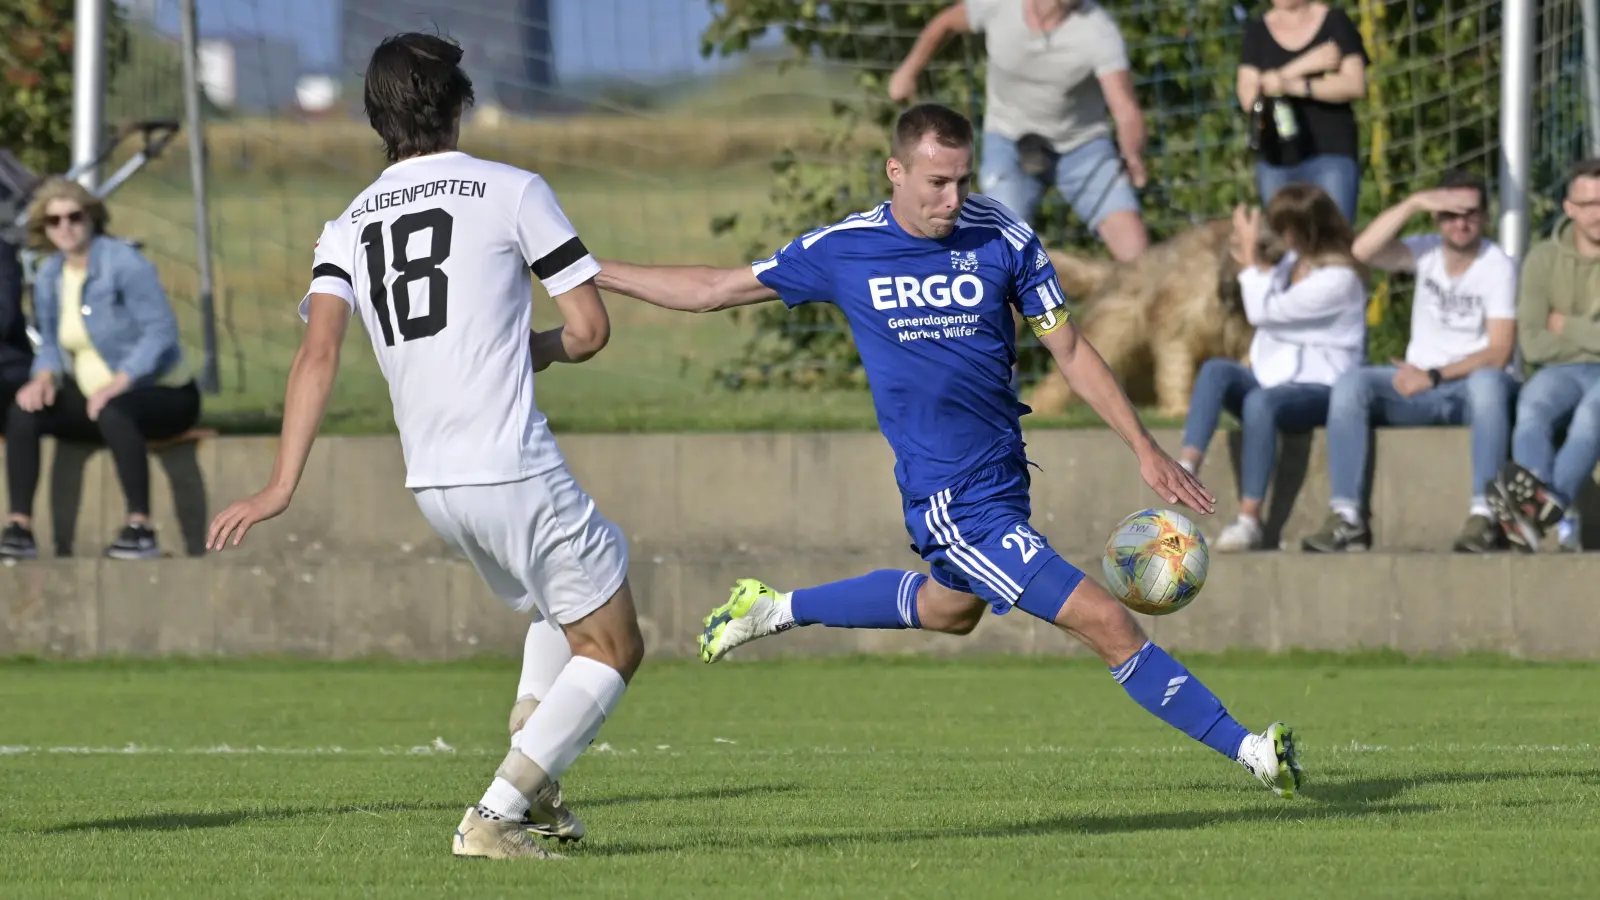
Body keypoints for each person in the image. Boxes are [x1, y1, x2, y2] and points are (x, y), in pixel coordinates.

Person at [595, 103, 1305, 800]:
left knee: (948, 610)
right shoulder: (844, 249)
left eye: (963, 179)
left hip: (1003, 481)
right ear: (896, 172)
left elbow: (1072, 348)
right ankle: (1249, 750)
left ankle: (775, 609)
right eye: (937, 182)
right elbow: (714, 290)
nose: (953, 198)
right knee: (1107, 620)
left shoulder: (1004, 236)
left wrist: (1144, 448)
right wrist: (589, 270)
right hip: (951, 501)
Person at [204, 33, 645, 861]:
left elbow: (318, 354)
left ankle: (534, 730)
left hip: (435, 483)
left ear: (376, 117)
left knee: (583, 583)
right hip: (510, 460)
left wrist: (276, 487)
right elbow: (589, 332)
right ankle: (497, 815)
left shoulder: (346, 227)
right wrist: (533, 348)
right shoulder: (513, 190)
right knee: (616, 644)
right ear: (461, 104)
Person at [1303, 171, 1520, 554]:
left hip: (1466, 389)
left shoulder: (1497, 265)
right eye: (1449, 214)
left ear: (1485, 217)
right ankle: (1347, 518)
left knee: (1489, 383)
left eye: (1470, 213)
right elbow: (1362, 250)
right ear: (1437, 219)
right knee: (1352, 385)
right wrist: (1414, 202)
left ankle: (1486, 516)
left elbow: (1499, 351)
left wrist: (1434, 376)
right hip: (1416, 385)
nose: (1460, 222)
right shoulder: (1425, 251)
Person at [2, 178, 201, 561]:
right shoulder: (49, 276)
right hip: (95, 400)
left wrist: (119, 383)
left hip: (162, 393)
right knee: (23, 409)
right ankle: (19, 528)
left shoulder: (123, 263)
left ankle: (140, 528)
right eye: (53, 221)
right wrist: (43, 377)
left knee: (115, 410)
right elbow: (50, 345)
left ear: (91, 216)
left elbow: (160, 332)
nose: (65, 228)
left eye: (74, 217)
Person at [1175, 183, 1368, 552]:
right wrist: (1246, 257)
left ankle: (1250, 520)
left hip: (1320, 388)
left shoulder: (1340, 280)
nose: (1279, 238)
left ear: (1304, 230)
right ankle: (1187, 467)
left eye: (1284, 230)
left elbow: (1266, 311)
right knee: (1216, 370)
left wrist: (1249, 257)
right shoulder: (1292, 266)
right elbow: (1259, 290)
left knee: (1261, 403)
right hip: (1273, 379)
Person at [888, 0, 1150, 261]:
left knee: (1136, 252)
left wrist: (1133, 156)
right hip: (1008, 141)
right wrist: (908, 72)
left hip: (1082, 146)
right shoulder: (1000, 5)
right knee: (1001, 253)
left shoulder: (1098, 29)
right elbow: (945, 23)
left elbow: (1125, 109)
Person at [1487, 159, 1600, 553]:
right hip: (1559, 370)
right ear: (1569, 207)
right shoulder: (1541, 260)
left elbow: (1551, 331)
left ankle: (1540, 509)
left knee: (1592, 416)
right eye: (1587, 204)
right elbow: (1533, 343)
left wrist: (1565, 325)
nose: (1596, 213)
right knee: (1533, 407)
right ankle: (1536, 500)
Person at [1236, 0, 1370, 224]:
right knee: (1286, 250)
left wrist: (1296, 86)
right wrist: (1305, 65)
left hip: (1331, 154)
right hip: (1276, 161)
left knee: (1333, 243)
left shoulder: (1335, 22)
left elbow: (1355, 85)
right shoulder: (1256, 32)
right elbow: (1249, 99)